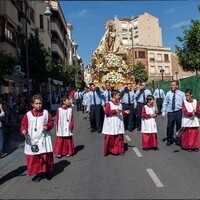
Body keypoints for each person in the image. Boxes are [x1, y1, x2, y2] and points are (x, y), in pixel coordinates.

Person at [20, 94, 54, 182]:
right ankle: (38, 173)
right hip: (32, 140)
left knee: (45, 156)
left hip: (44, 138)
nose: (39, 105)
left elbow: (51, 122)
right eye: (37, 103)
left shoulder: (46, 113)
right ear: (32, 104)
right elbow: (24, 125)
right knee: (35, 158)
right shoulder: (28, 115)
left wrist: (47, 126)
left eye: (40, 103)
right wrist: (24, 130)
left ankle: (47, 172)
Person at [102, 90, 130, 156]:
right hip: (111, 122)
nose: (119, 96)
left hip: (118, 122)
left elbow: (120, 111)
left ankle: (119, 150)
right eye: (118, 95)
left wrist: (124, 112)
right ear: (114, 96)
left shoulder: (119, 104)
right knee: (111, 136)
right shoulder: (109, 103)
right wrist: (115, 111)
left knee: (119, 135)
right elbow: (107, 112)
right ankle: (110, 149)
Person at [162, 80, 185, 146]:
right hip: (171, 112)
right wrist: (163, 112)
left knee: (179, 126)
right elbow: (165, 103)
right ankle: (170, 139)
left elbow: (184, 104)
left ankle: (178, 139)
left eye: (173, 85)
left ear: (177, 86)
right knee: (169, 126)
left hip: (179, 112)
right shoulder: (168, 93)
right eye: (171, 85)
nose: (171, 86)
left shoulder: (182, 94)